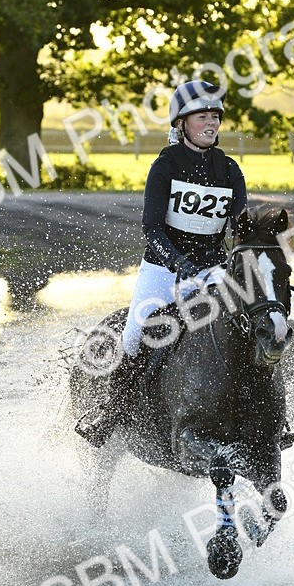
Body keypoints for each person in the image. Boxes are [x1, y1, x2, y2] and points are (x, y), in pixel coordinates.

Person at [76, 79, 247, 446]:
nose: (211, 123)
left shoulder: (230, 170)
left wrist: (244, 263)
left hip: (213, 272)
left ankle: (265, 421)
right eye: (202, 116)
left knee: (251, 326)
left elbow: (240, 229)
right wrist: (179, 262)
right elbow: (152, 228)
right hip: (163, 269)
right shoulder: (165, 166)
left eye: (215, 116)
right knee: (135, 333)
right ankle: (112, 411)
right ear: (181, 123)